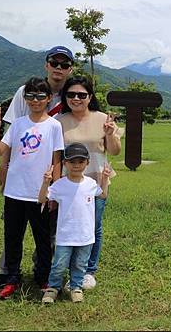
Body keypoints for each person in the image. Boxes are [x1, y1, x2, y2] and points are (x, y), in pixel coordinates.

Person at [0, 46, 74, 288]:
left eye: (64, 64)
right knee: (13, 228)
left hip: (51, 173)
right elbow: (13, 130)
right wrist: (4, 165)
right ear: (46, 64)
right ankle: (8, 273)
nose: (58, 68)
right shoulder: (25, 91)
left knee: (45, 230)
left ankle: (43, 274)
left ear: (70, 68)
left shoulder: (71, 94)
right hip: (21, 175)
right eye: (54, 62)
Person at [57, 75, 123, 289]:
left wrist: (111, 135)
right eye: (71, 94)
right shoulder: (59, 121)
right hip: (67, 184)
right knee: (67, 227)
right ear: (65, 96)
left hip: (96, 180)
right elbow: (56, 155)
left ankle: (88, 271)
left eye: (81, 95)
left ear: (90, 97)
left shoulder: (103, 119)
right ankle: (65, 269)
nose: (76, 98)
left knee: (93, 227)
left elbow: (114, 151)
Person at [39, 143, 111, 303]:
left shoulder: (91, 184)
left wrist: (105, 179)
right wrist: (46, 182)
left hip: (85, 236)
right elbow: (42, 199)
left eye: (80, 161)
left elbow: (103, 195)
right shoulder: (60, 185)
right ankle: (52, 288)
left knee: (80, 264)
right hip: (65, 235)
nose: (76, 165)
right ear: (65, 163)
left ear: (87, 162)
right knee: (59, 264)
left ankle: (76, 287)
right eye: (72, 162)